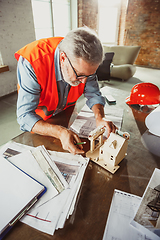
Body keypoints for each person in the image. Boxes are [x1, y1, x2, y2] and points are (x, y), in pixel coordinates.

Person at [15, 27, 117, 155]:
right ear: (63, 58)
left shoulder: (83, 64)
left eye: (89, 75)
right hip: (40, 122)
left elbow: (94, 94)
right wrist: (59, 132)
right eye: (80, 75)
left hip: (65, 114)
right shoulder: (33, 61)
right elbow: (24, 117)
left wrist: (100, 117)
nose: (84, 82)